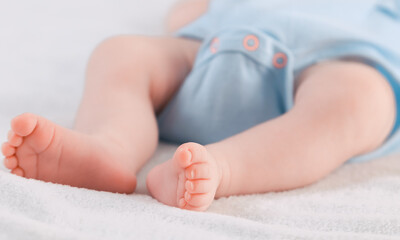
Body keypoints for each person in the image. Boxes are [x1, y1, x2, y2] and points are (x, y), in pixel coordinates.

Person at [2, 0, 400, 211]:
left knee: (357, 100)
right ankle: (111, 145)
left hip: (332, 68)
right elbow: (183, 14)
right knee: (121, 53)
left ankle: (223, 168)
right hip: (205, 55)